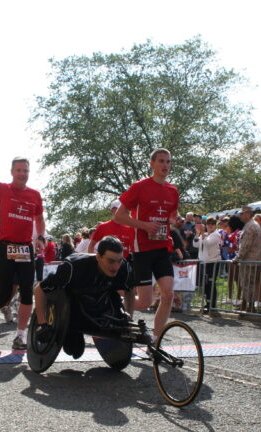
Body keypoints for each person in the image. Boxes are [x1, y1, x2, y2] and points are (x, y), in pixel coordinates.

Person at [0, 141, 45, 350]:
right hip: (4, 246)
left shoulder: (34, 195)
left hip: (25, 249)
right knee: (3, 293)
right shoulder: (1, 190)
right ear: (12, 172)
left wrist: (41, 237)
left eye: (26, 170)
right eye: (19, 170)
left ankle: (21, 336)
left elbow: (39, 220)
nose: (23, 174)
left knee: (27, 292)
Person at [114, 148, 179, 338]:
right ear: (152, 163)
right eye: (161, 161)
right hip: (142, 249)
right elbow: (119, 216)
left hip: (162, 248)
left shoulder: (173, 191)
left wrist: (175, 221)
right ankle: (114, 298)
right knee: (144, 303)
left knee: (168, 294)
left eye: (168, 161)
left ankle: (157, 341)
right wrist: (145, 225)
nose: (165, 165)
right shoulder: (139, 187)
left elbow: (172, 215)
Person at [33, 237, 131, 358]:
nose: (116, 267)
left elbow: (128, 291)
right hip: (74, 313)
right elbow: (39, 289)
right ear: (98, 257)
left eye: (119, 261)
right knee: (74, 350)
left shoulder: (123, 267)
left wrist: (127, 317)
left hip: (102, 310)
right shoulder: (73, 267)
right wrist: (43, 324)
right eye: (111, 261)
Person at [233, 206, 261, 312]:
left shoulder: (250, 226)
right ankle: (246, 304)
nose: (240, 216)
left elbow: (245, 245)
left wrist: (237, 258)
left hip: (250, 260)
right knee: (247, 283)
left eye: (242, 214)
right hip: (251, 260)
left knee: (248, 283)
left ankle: (250, 306)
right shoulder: (250, 225)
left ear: (248, 214)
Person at [193, 217, 222, 313]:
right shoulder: (204, 235)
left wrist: (202, 233)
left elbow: (207, 243)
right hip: (203, 262)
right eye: (208, 223)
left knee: (211, 283)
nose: (210, 225)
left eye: (212, 223)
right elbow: (195, 244)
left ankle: (212, 305)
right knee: (205, 284)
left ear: (215, 225)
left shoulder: (216, 235)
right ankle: (207, 303)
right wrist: (198, 233)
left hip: (212, 262)